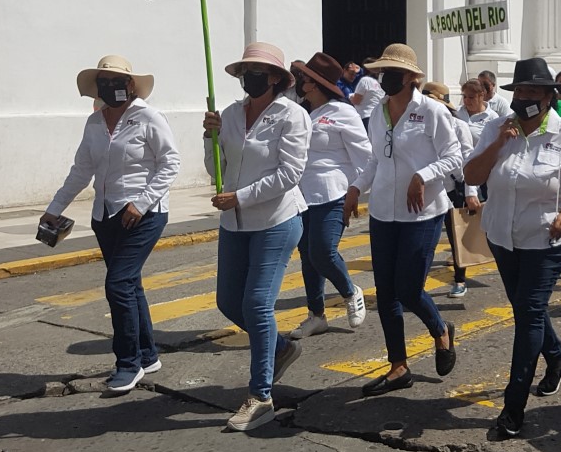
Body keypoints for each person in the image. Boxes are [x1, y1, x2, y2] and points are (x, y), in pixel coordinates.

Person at [464, 57, 561, 438]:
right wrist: (498, 143)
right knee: (528, 308)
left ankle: (513, 407)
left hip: (546, 240)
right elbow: (472, 174)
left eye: (532, 91)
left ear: (547, 97)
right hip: (502, 237)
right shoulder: (496, 128)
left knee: (527, 314)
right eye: (520, 90)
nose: (524, 97)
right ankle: (557, 357)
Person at [44, 55, 181, 395]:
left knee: (118, 285)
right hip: (105, 216)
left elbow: (170, 163)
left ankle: (128, 364)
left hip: (143, 214)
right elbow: (81, 170)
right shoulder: (94, 122)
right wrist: (54, 208)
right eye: (103, 82)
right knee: (130, 284)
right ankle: (147, 354)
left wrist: (142, 202)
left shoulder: (148, 117)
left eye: (116, 81)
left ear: (130, 84)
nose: (109, 86)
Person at [200, 43, 310, 431]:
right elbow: (218, 166)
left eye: (257, 71)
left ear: (276, 78)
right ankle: (280, 348)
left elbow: (290, 173)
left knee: (257, 304)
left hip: (276, 220)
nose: (250, 77)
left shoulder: (292, 115)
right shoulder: (230, 114)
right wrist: (210, 138)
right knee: (229, 301)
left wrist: (241, 196)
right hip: (235, 223)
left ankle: (261, 396)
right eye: (245, 71)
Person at [345, 44, 461, 396]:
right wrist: (355, 188)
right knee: (386, 292)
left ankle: (441, 330)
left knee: (408, 289)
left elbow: (454, 156)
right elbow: (375, 160)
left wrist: (422, 176)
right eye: (383, 72)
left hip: (422, 213)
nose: (386, 78)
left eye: (393, 73)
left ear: (411, 77)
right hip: (383, 211)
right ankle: (398, 366)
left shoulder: (431, 111)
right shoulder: (378, 112)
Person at [288, 52, 370, 341]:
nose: (300, 82)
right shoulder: (302, 113)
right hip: (302, 195)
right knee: (307, 256)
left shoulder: (343, 112)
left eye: (304, 78)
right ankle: (316, 315)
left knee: (322, 251)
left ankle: (350, 291)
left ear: (315, 83)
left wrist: (356, 190)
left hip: (333, 192)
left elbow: (366, 157)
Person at [423, 80, 478, 298]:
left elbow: (468, 161)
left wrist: (471, 192)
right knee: (425, 239)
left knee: (456, 237)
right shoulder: (420, 124)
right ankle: (417, 283)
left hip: (453, 188)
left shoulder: (459, 126)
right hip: (429, 188)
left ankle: (459, 279)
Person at [351, 63, 386, 132]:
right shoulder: (379, 84)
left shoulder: (365, 80)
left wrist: (350, 98)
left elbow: (356, 101)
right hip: (378, 117)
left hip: (364, 116)